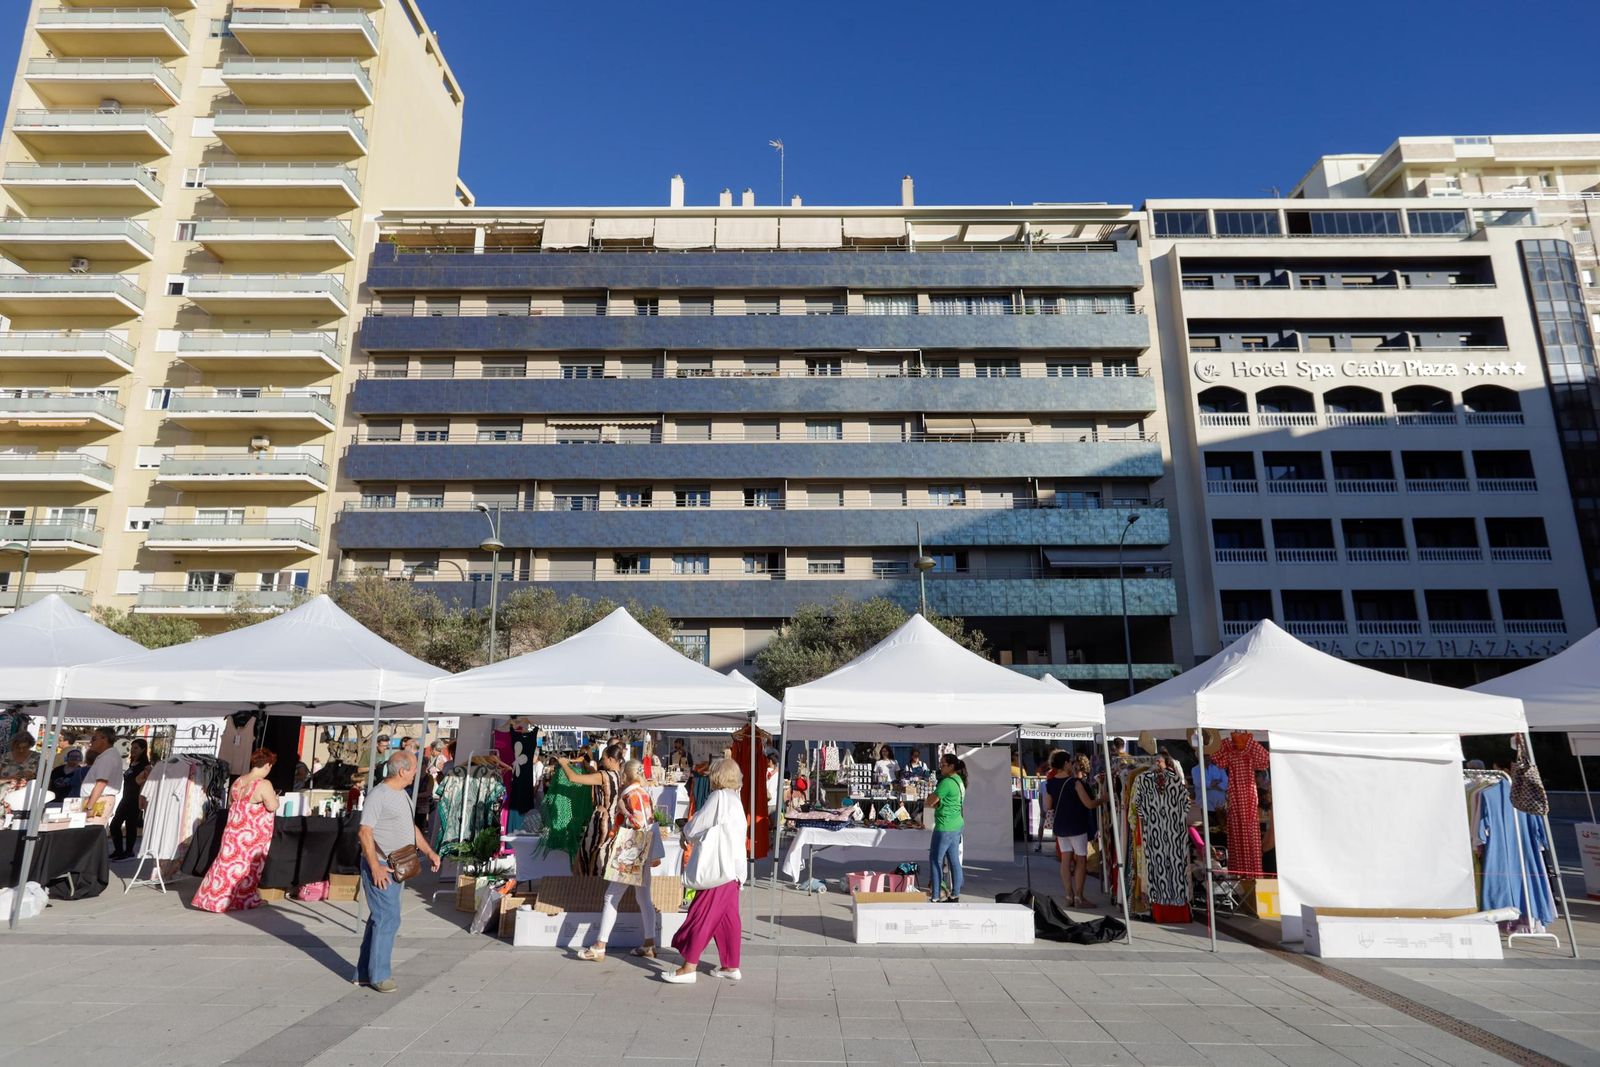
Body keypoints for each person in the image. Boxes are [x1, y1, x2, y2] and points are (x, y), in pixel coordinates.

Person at [356, 750, 441, 993]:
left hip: (399, 866)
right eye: (414, 768)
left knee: (380, 918)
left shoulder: (401, 794)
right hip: (382, 866)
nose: (417, 772)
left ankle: (364, 973)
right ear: (402, 771)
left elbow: (409, 827)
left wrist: (429, 851)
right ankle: (379, 975)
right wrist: (375, 867)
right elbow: (364, 832)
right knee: (388, 918)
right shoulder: (379, 795)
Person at [664, 758, 747, 983]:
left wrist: (685, 833)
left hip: (719, 869)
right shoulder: (735, 798)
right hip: (734, 869)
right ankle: (730, 966)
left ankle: (689, 967)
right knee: (728, 920)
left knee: (701, 914)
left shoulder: (719, 797)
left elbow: (698, 823)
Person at [578, 759, 660, 961]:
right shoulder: (643, 793)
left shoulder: (631, 795)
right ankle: (649, 942)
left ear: (625, 776)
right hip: (642, 850)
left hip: (632, 850)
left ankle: (600, 946)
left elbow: (638, 823)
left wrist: (622, 809)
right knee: (643, 898)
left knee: (611, 896)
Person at [193, 749, 280, 913]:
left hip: (233, 830)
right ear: (267, 765)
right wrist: (276, 798)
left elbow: (231, 803)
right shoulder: (263, 784)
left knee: (225, 865)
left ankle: (211, 899)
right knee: (248, 868)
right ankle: (242, 900)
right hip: (252, 833)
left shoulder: (238, 781)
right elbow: (272, 806)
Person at [1045, 752, 1106, 908]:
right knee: (1081, 859)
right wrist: (1103, 800)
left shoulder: (1050, 783)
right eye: (1070, 762)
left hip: (1060, 826)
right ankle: (1079, 896)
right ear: (1066, 763)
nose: (1072, 765)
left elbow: (1047, 806)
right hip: (1076, 825)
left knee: (1065, 860)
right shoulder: (1075, 783)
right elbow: (1089, 804)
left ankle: (1069, 896)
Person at [558, 744, 624, 877]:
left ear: (611, 759)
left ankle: (590, 886)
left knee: (590, 858)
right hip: (613, 822)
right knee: (602, 856)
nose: (601, 761)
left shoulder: (604, 775)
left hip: (601, 823)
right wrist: (584, 763)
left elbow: (573, 778)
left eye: (603, 758)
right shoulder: (619, 775)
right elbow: (593, 773)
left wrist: (564, 764)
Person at [924, 753, 967, 903]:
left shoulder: (946, 783)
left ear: (951, 766)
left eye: (943, 765)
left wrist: (933, 799)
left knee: (935, 860)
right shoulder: (959, 780)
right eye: (940, 764)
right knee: (954, 860)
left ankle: (936, 895)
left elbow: (930, 801)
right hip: (957, 824)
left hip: (944, 826)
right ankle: (955, 894)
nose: (940, 767)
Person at [108, 738, 152, 860]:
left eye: (136, 748)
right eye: (132, 748)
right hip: (126, 798)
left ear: (143, 749)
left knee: (130, 826)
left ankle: (128, 851)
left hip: (135, 799)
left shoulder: (146, 767)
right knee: (115, 824)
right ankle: (119, 850)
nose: (133, 750)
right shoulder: (132, 764)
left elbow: (150, 783)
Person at [80, 727, 123, 820]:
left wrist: (89, 807)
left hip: (98, 801)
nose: (91, 742)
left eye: (94, 738)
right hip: (99, 799)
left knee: (93, 828)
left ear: (104, 739)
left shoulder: (108, 757)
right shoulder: (108, 755)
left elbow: (101, 783)